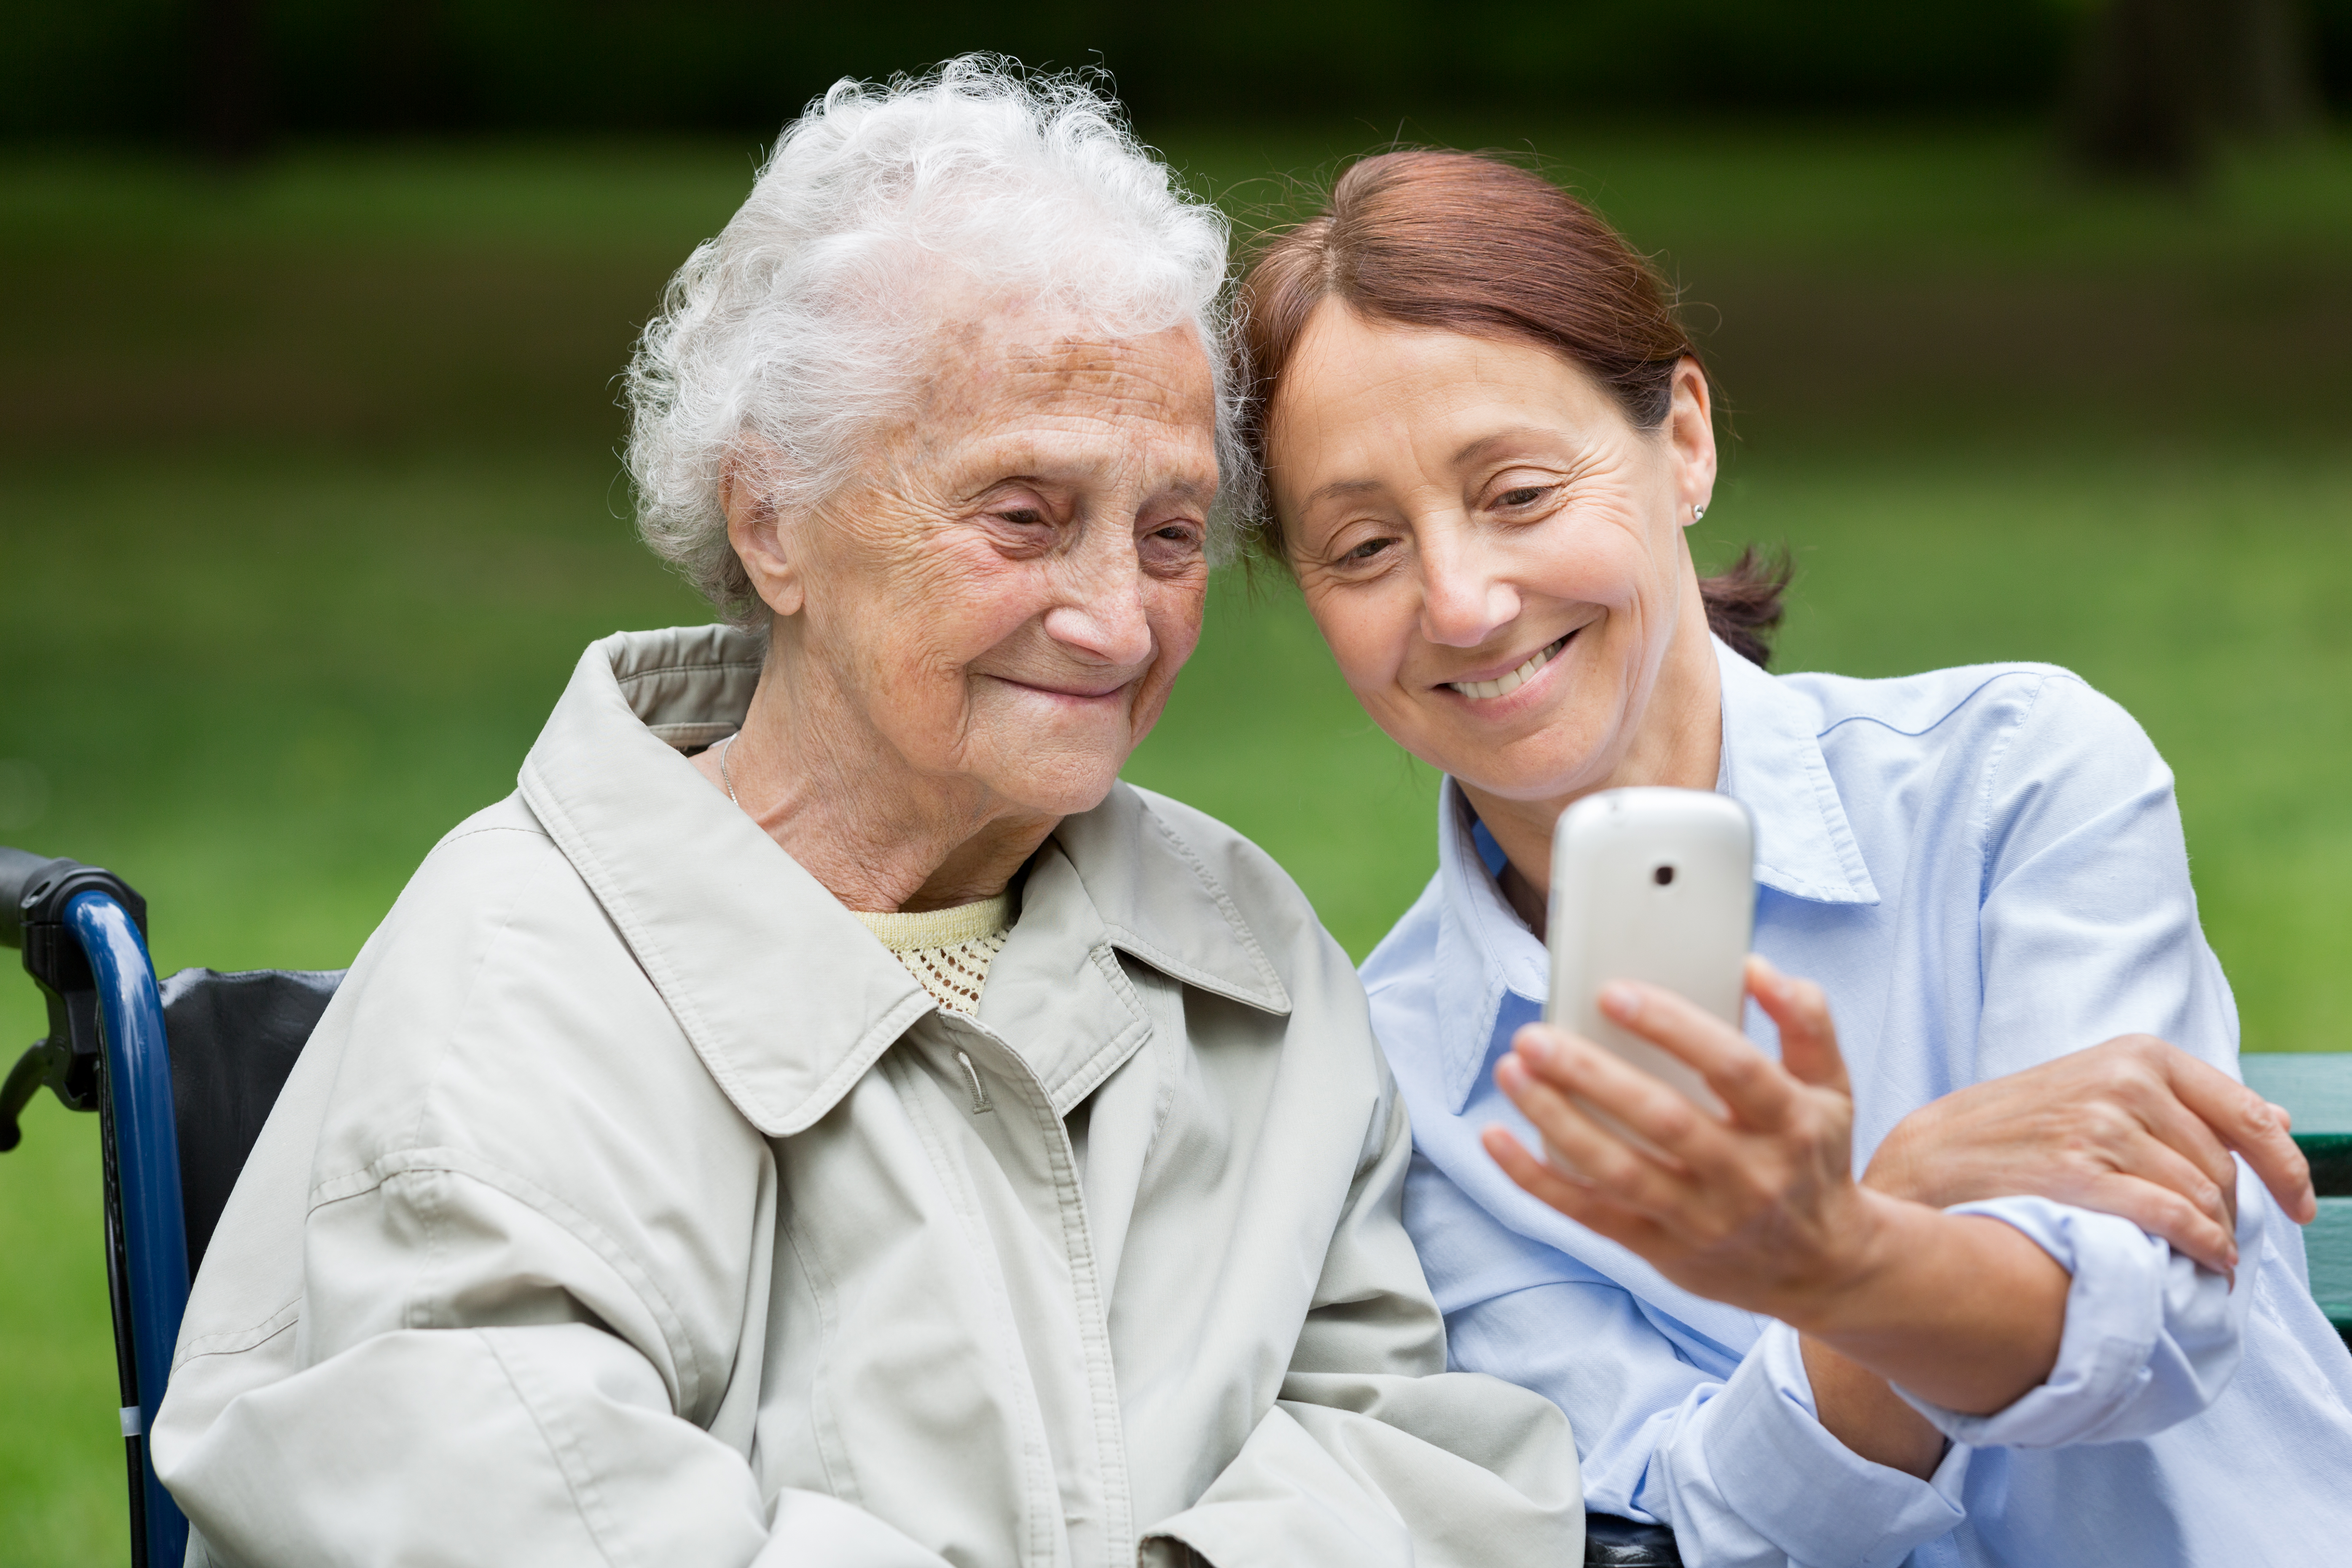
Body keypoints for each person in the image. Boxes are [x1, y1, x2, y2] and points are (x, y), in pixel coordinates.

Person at [150, 72, 1588, 1568]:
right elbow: (531, 1516)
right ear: (771, 517)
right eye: (1021, 516)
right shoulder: (517, 983)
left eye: (1170, 533)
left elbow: (1410, 1450)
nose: (1115, 619)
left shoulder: (1242, 951)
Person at [1237, 148, 2352, 1566]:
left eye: (1516, 493)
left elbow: (2147, 1337)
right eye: (1361, 545)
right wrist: (1892, 1214)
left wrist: (1836, 1257)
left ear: (1683, 441)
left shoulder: (2016, 781)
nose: (1459, 601)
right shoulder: (1389, 1082)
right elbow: (1698, 1533)